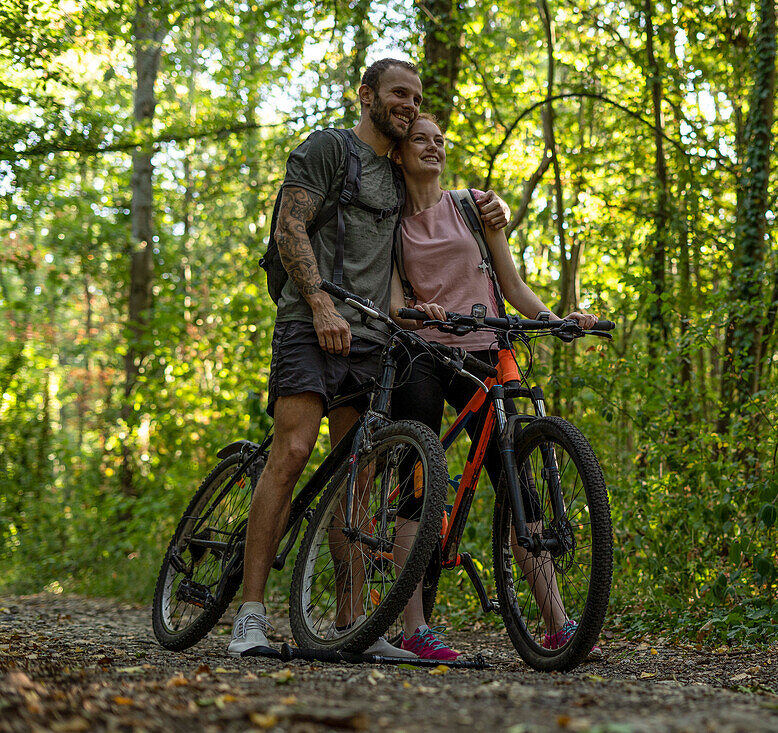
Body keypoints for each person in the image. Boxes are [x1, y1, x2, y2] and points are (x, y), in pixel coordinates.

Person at [228, 61, 509, 656]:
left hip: (373, 341)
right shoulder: (329, 149)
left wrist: (491, 210)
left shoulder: (398, 175)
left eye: (417, 97)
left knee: (359, 477)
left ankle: (351, 625)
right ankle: (249, 615)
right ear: (366, 97)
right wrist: (320, 304)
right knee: (293, 451)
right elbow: (290, 226)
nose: (409, 104)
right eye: (398, 94)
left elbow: (439, 223)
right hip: (311, 323)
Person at [385, 114, 599, 661]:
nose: (433, 148)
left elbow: (511, 284)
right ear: (398, 152)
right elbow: (392, 304)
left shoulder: (474, 206)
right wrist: (417, 313)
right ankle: (413, 629)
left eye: (439, 141)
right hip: (423, 353)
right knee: (417, 480)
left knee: (517, 481)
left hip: (486, 349)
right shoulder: (389, 221)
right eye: (420, 140)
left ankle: (556, 624)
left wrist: (553, 318)